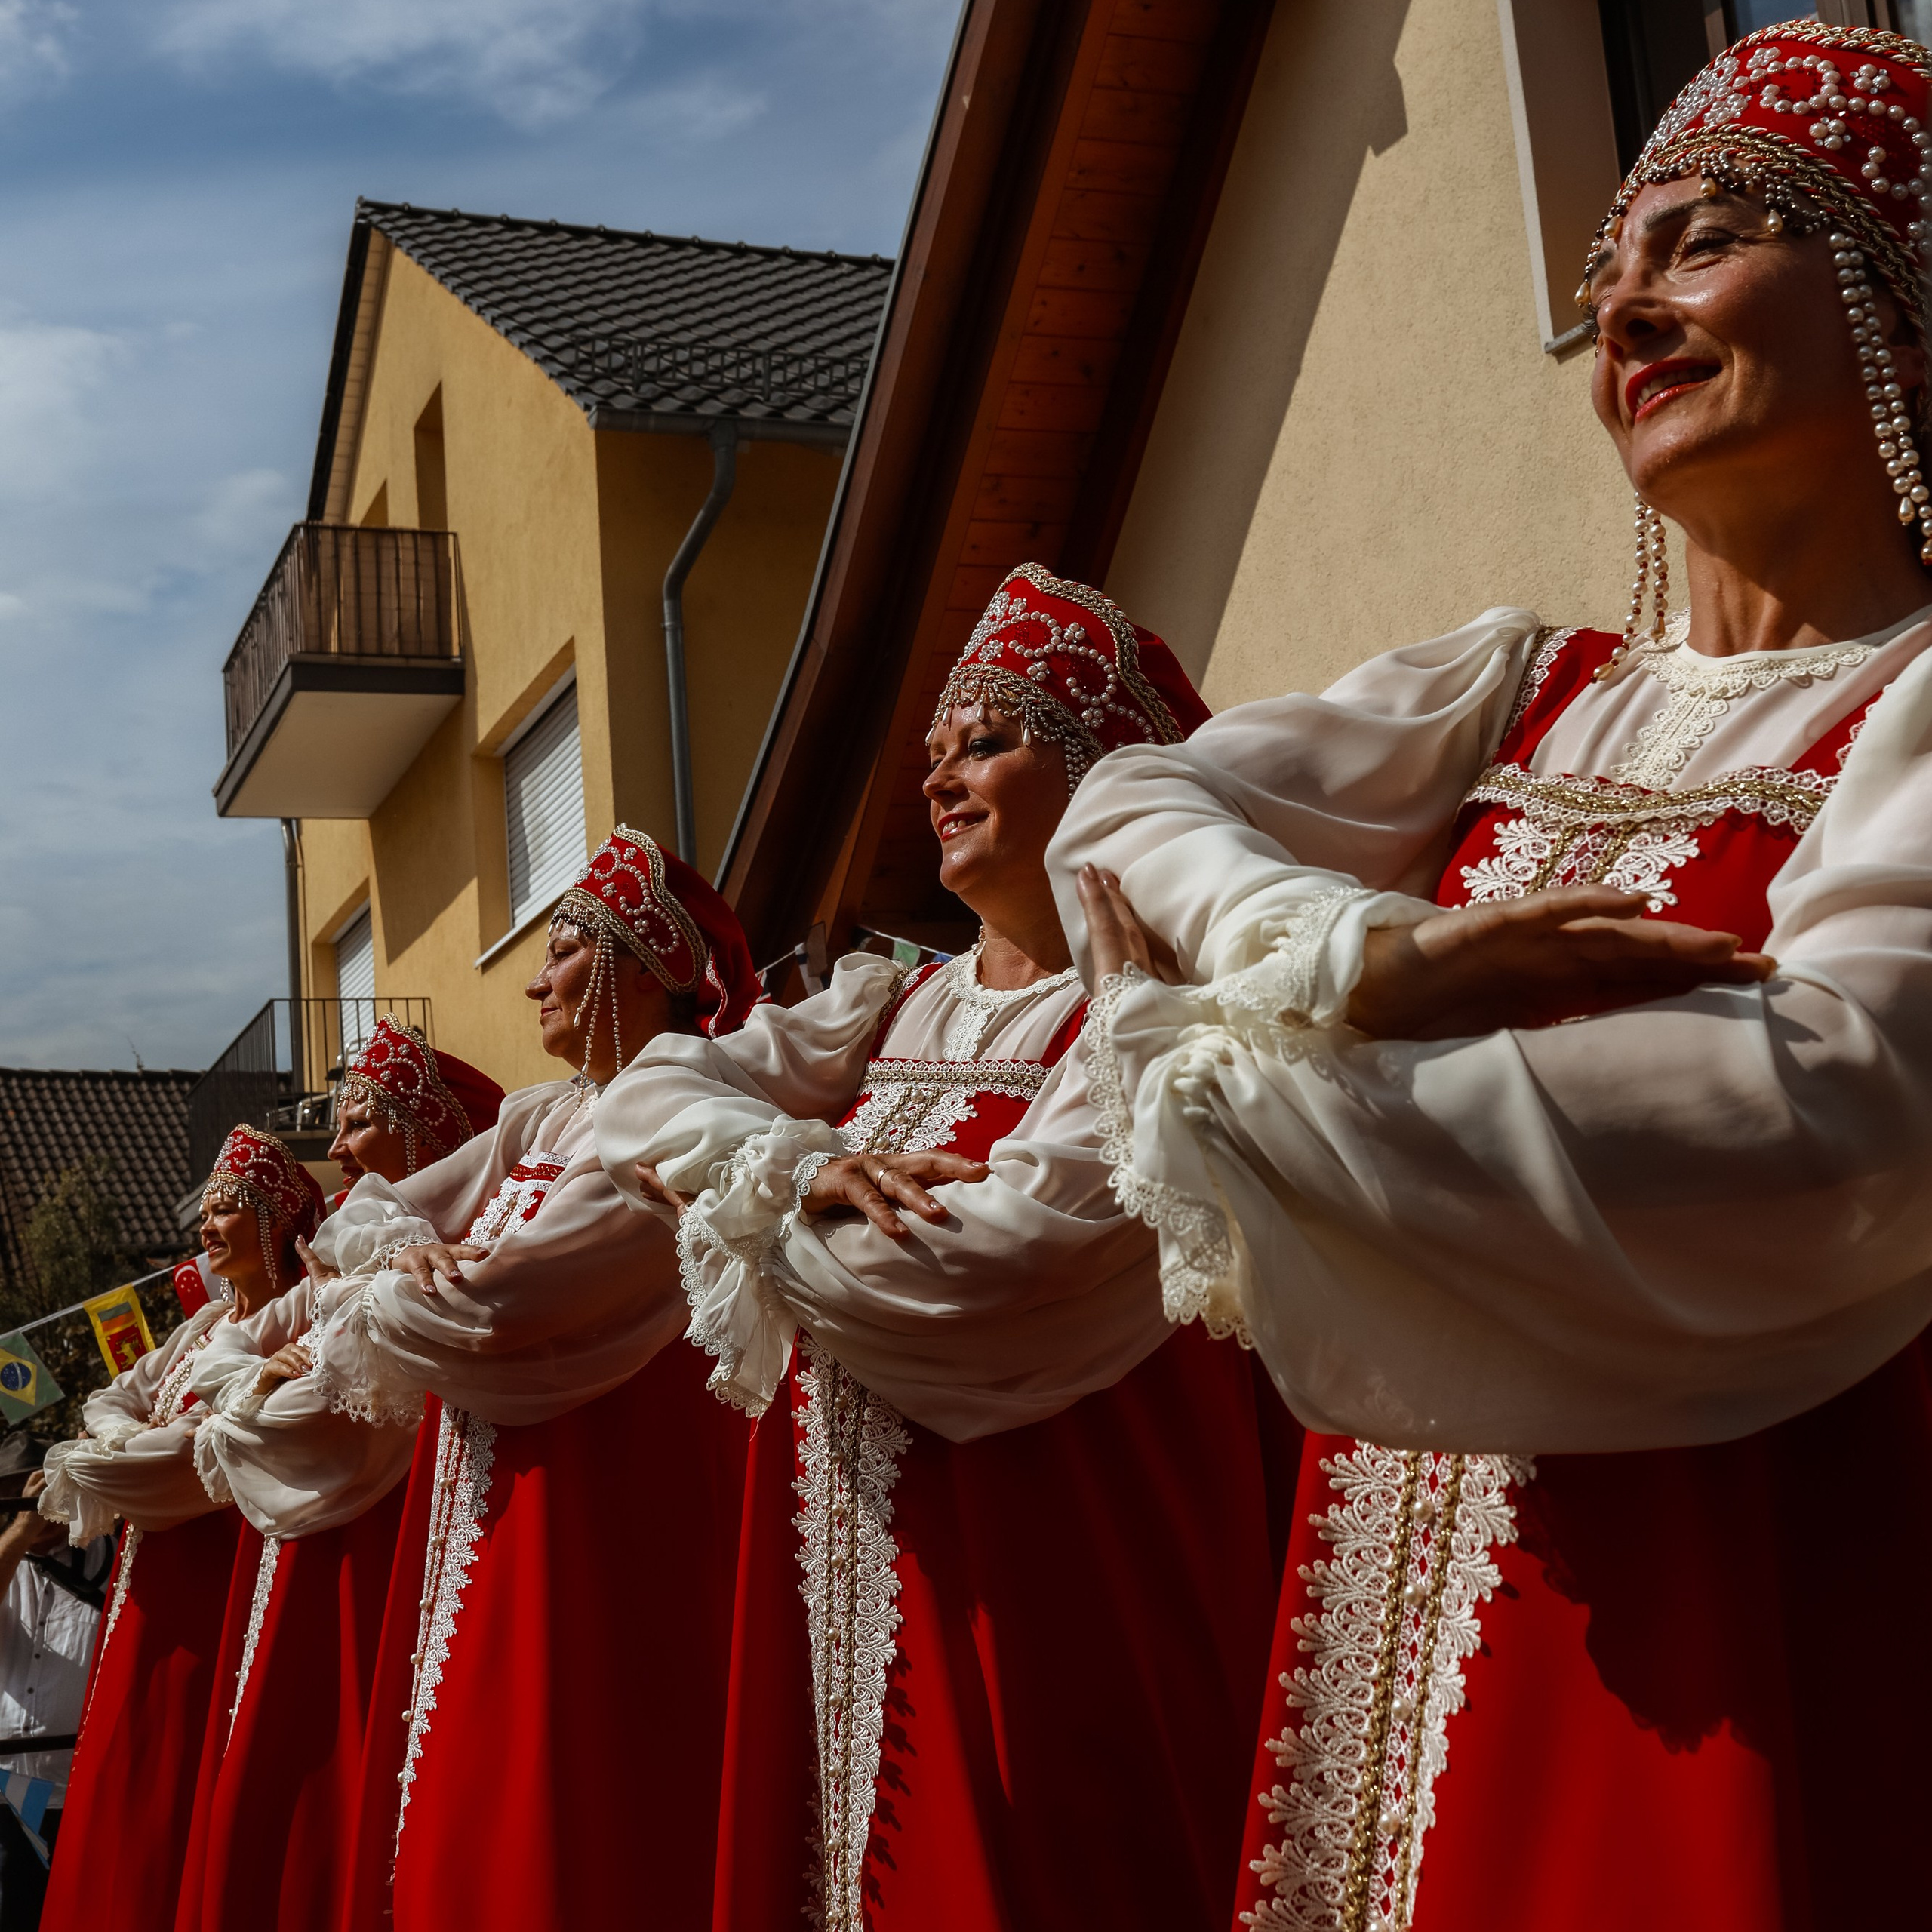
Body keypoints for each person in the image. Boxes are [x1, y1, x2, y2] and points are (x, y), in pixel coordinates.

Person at [1056, 21, 1932, 1930]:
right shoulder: (1510, 686)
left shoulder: (1910, 702)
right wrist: (1356, 958)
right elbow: (1124, 803)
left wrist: (1253, 1084)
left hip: (1737, 1566)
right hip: (1404, 1561)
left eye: (1702, 240)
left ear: (1894, 311)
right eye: (1605, 262)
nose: (1622, 299)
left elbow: (1840, 1102)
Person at [598, 565, 1282, 1932]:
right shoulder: (888, 1001)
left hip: (1052, 1569)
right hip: (846, 1552)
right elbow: (639, 1098)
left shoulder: (1144, 1015)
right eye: (934, 755)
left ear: (1103, 773)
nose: (942, 780)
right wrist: (797, 1162)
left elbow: (991, 1265)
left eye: (990, 740)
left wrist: (746, 1210)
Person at [306, 828, 763, 1932]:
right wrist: (401, 1251)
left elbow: (510, 1302)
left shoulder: (671, 1098)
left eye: (560, 949)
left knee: (578, 1796)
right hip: (494, 1488)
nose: (534, 977)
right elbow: (363, 1220)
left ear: (631, 964)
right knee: (471, 1776)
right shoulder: (540, 1116)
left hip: (598, 1493)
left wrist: (413, 1277)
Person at [169, 1020, 504, 1932]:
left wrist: (240, 1400)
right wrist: (242, 1387)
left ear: (422, 1129)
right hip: (309, 1552)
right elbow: (199, 1386)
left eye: (361, 1121)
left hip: (374, 1553)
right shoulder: (343, 1275)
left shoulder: (434, 1257)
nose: (342, 1147)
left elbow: (292, 1414)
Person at [38, 1128, 321, 1932]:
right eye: (208, 1209)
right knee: (134, 1760)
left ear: (273, 1218)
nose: (207, 1226)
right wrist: (119, 1441)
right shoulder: (199, 1331)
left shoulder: (287, 1326)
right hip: (154, 1569)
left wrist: (115, 1452)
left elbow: (189, 1449)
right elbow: (114, 1396)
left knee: (186, 1765)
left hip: (218, 1570)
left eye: (228, 1209)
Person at [0, 1435, 112, 1932]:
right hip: (7, 1794)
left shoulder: (115, 1552)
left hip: (89, 1793)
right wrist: (20, 1533)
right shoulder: (7, 1559)